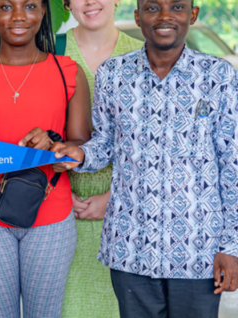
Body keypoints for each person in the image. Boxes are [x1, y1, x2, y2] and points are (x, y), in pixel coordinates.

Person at [55, 0, 238, 317]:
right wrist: (81, 154)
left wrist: (231, 246)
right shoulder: (113, 75)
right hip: (131, 246)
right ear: (138, 17)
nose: (165, 16)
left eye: (177, 7)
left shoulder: (217, 76)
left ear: (192, 15)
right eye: (153, 8)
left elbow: (232, 165)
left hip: (197, 249)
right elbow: (106, 142)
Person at [0, 0, 92, 317]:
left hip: (51, 215)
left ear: (43, 12)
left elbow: (80, 143)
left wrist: (55, 144)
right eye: (5, 6)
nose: (17, 16)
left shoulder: (68, 71)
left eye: (29, 6)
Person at [59, 1, 143, 317]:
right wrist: (55, 193)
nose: (91, 2)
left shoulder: (146, 53)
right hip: (59, 209)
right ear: (66, 3)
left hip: (130, 213)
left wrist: (116, 197)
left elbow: (155, 144)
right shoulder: (51, 51)